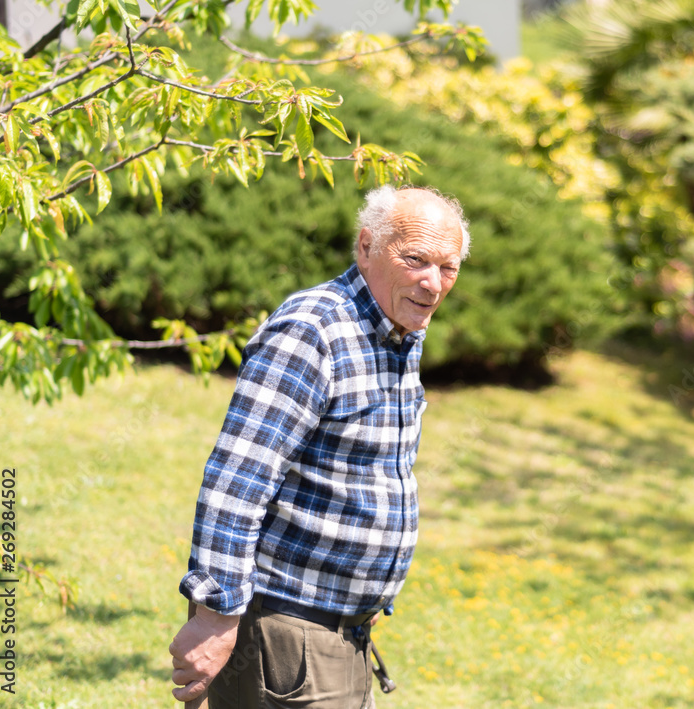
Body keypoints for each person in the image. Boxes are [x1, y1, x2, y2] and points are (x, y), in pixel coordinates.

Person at [169, 185, 470, 708]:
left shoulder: (397, 334)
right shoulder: (315, 331)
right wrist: (215, 614)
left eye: (448, 268)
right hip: (286, 632)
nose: (432, 282)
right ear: (367, 247)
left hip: (341, 632)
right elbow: (239, 478)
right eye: (416, 260)